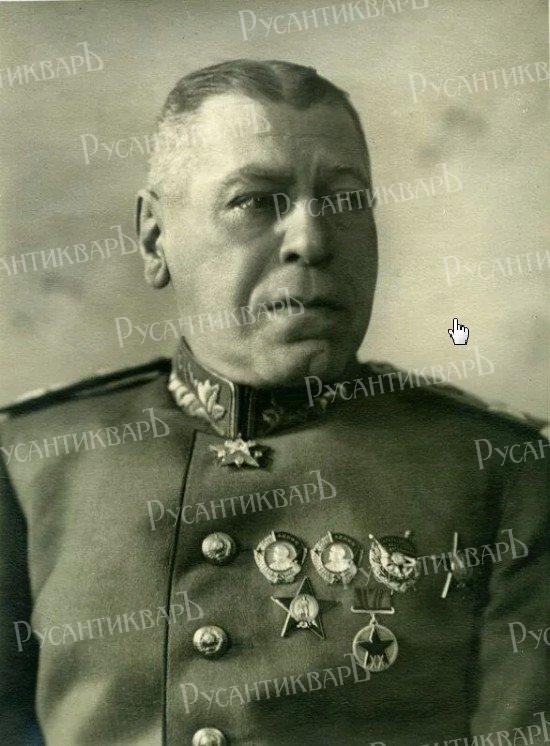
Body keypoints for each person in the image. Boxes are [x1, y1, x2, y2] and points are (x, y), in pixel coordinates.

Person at [0, 59, 548, 746]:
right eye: (256, 202)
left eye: (345, 201)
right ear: (155, 237)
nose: (312, 241)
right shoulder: (30, 464)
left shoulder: (499, 469)